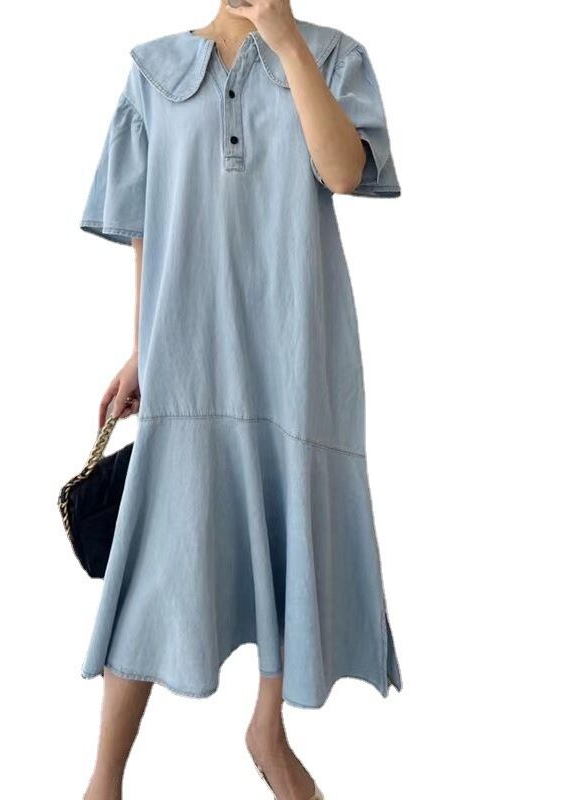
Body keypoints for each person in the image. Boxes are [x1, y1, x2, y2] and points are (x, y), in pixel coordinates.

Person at [79, 2, 402, 798]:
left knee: (286, 526)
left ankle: (268, 727)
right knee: (155, 559)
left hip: (296, 350)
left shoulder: (332, 56)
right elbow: (146, 223)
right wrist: (143, 348)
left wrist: (285, 41)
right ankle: (104, 779)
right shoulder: (155, 71)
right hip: (188, 359)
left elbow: (342, 172)